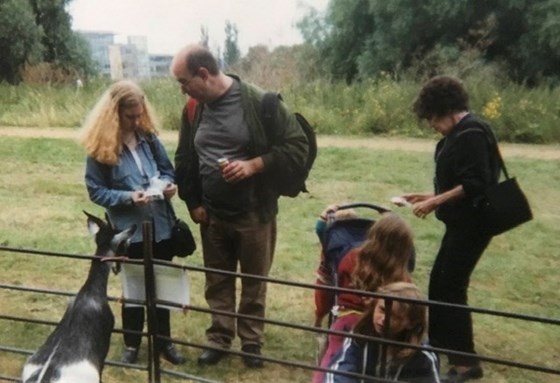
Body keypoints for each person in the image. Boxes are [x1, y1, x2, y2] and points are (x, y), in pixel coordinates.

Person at [170, 44, 309, 368]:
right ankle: (219, 338)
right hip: (212, 215)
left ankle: (251, 343)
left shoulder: (262, 102)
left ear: (203, 74)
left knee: (254, 282)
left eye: (184, 81)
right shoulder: (193, 108)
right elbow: (184, 158)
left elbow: (297, 146)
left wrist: (255, 165)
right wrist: (193, 202)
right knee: (217, 281)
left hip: (253, 214)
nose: (182, 90)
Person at [397, 75, 499, 382]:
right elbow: (460, 184)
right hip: (460, 223)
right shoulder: (461, 133)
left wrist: (434, 202)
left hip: (474, 225)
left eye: (432, 116)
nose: (430, 123)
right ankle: (440, 347)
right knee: (440, 284)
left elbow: (475, 184)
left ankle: (466, 364)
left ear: (447, 108)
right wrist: (427, 196)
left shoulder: (472, 133)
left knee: (451, 287)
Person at [80, 80, 185, 365]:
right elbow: (95, 191)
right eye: (130, 116)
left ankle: (165, 342)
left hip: (161, 226)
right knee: (134, 289)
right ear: (114, 114)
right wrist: (128, 197)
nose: (137, 120)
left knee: (161, 286)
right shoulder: (101, 148)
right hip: (129, 233)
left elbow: (167, 170)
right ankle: (131, 345)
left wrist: (168, 186)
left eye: (140, 114)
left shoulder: (149, 138)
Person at [313, 213, 414, 383]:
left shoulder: (351, 257)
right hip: (382, 324)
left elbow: (333, 285)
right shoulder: (403, 277)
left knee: (333, 361)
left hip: (347, 321)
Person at [325, 282, 440, 383]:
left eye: (395, 316)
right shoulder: (360, 337)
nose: (384, 319)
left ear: (411, 323)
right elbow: (339, 372)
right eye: (382, 310)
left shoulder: (422, 357)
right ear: (374, 306)